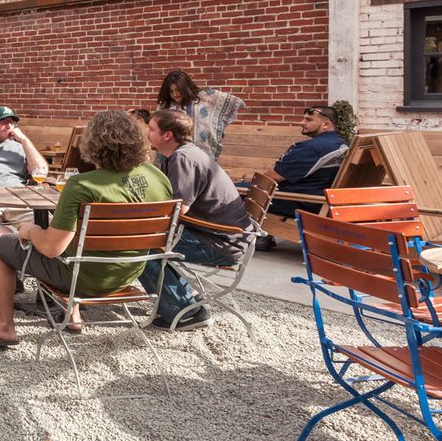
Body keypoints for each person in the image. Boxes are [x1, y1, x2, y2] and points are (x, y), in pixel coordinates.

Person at [0, 109, 172, 347]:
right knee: (73, 239)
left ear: (93, 143)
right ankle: (72, 314)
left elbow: (52, 248)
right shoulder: (158, 177)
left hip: (82, 279)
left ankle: (3, 327)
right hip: (128, 274)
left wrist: (29, 230)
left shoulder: (82, 185)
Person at [139, 109, 253, 330]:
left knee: (141, 247)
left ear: (167, 135)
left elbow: (177, 211)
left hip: (220, 243)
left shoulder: (183, 158)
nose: (147, 132)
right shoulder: (185, 153)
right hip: (226, 236)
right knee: (147, 240)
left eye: (151, 129)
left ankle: (186, 313)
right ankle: (184, 297)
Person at [256, 105, 349, 250]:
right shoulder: (340, 144)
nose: (302, 122)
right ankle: (262, 236)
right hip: (320, 198)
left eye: (308, 119)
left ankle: (254, 237)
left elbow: (273, 178)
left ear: (326, 124)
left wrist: (251, 180)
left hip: (302, 202)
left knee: (240, 192)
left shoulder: (313, 148)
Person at [156, 69, 244, 160]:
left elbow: (234, 102)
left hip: (198, 155)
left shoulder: (202, 100)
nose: (175, 94)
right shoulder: (165, 106)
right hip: (172, 156)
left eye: (178, 90)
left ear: (185, 88)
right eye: (171, 91)